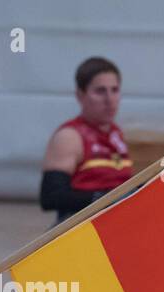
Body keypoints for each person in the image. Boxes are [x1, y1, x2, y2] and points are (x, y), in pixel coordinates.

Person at [40, 57, 133, 224]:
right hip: (82, 228)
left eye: (114, 90)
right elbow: (50, 197)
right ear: (80, 96)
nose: (109, 99)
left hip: (116, 223)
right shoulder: (70, 136)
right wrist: (105, 199)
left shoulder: (116, 133)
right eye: (100, 91)